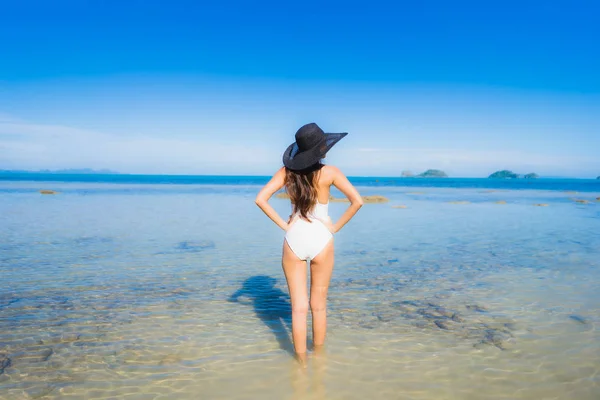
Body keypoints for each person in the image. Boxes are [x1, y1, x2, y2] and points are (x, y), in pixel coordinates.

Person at [255, 122, 363, 363]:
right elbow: (357, 201)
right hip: (322, 237)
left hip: (294, 237)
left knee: (298, 308)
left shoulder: (286, 172)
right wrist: (334, 227)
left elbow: (261, 199)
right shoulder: (331, 172)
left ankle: (300, 366)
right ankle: (320, 362)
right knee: (319, 306)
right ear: (322, 150)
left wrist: (285, 225)